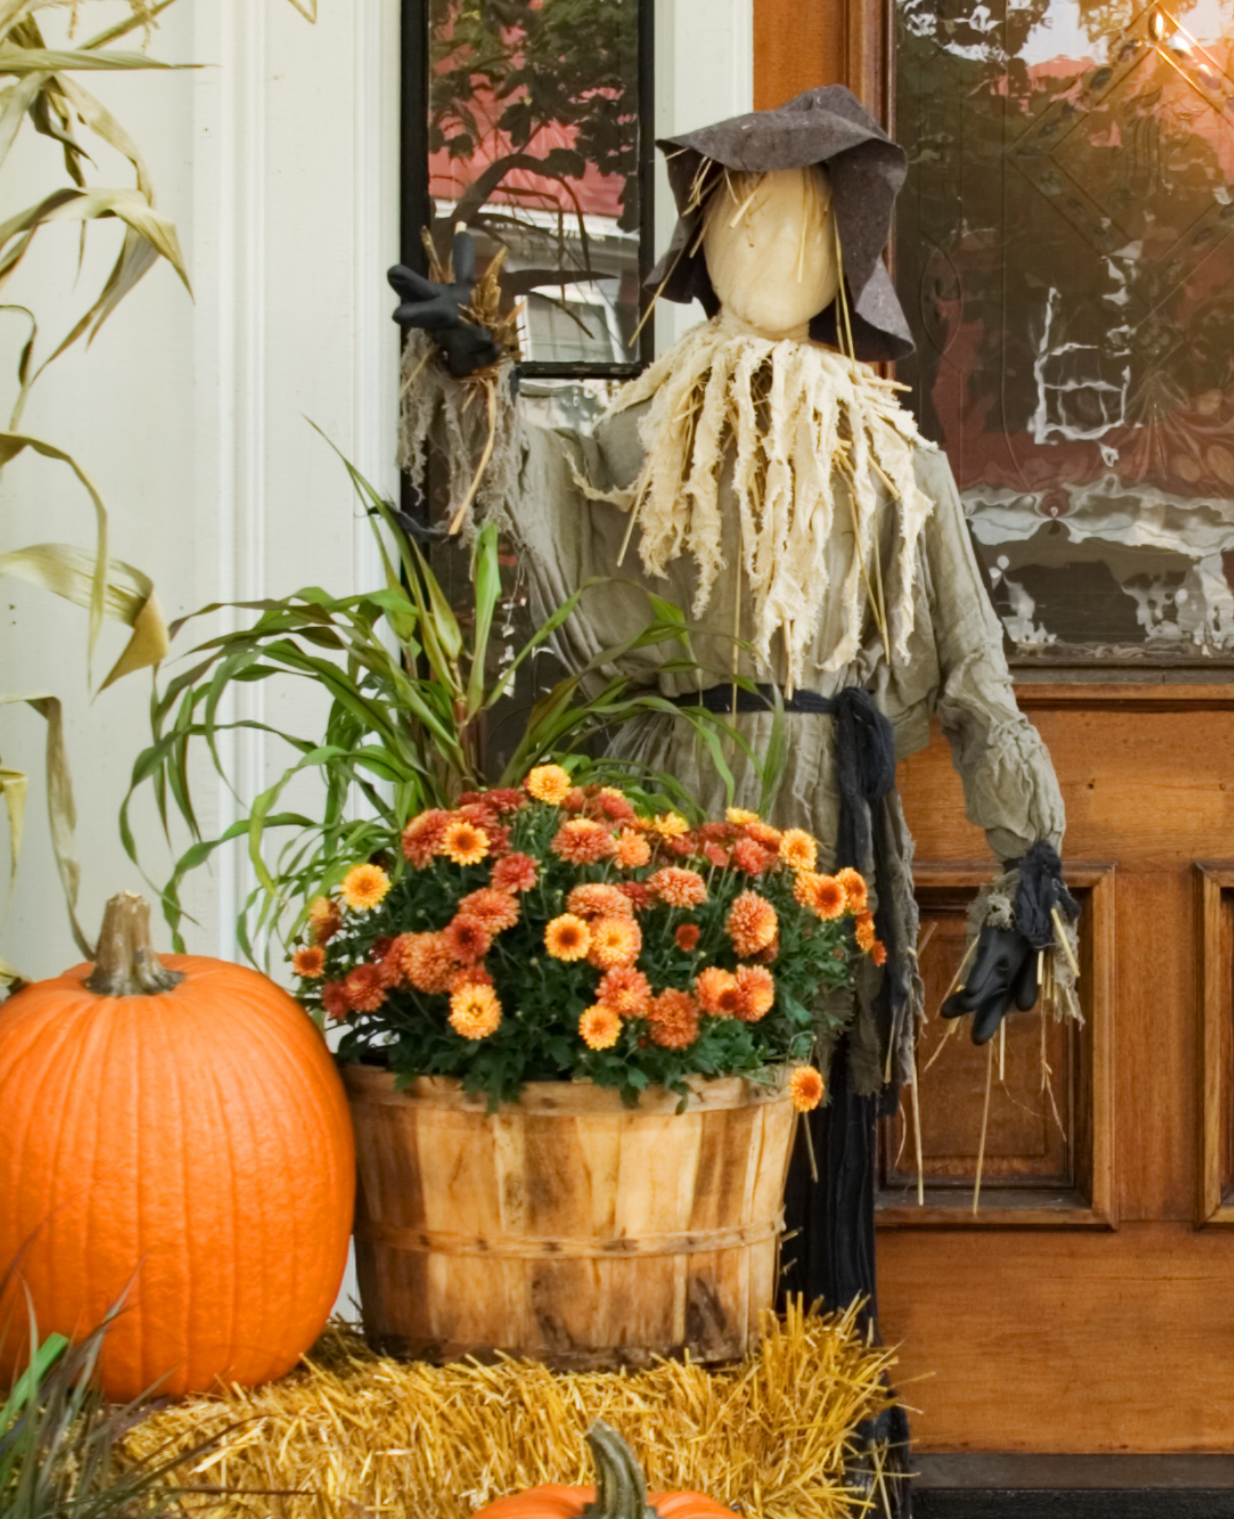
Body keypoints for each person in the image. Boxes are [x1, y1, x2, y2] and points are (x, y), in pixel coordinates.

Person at [388, 85, 1076, 1348]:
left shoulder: (891, 457)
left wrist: (1026, 875)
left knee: (809, 1121)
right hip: (664, 807)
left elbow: (975, 677)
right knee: (663, 1103)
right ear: (694, 248)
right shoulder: (640, 438)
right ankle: (665, 1423)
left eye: (802, 224)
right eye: (738, 220)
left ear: (847, 258)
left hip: (827, 820)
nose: (766, 249)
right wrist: (471, 369)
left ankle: (806, 1435)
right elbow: (512, 503)